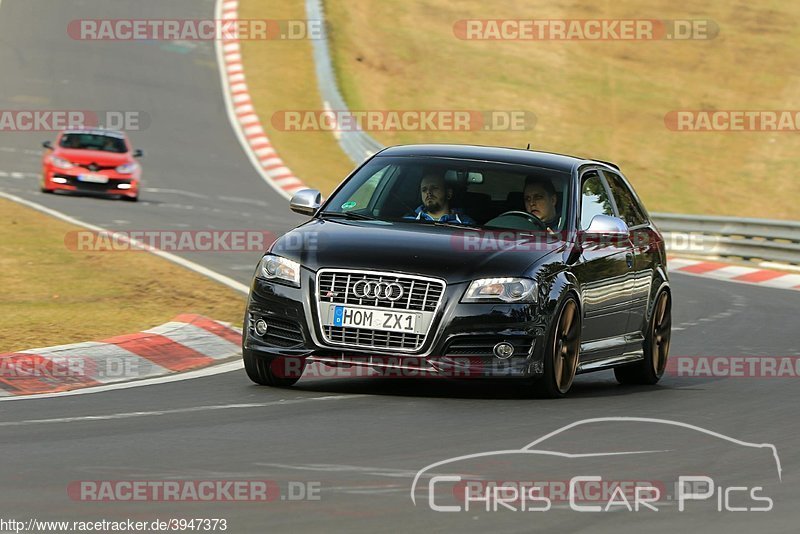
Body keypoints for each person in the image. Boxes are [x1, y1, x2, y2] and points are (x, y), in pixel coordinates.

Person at [406, 171, 475, 224]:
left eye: (434, 188)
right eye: (424, 190)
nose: (428, 192)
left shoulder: (466, 224)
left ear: (448, 193)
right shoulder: (407, 222)